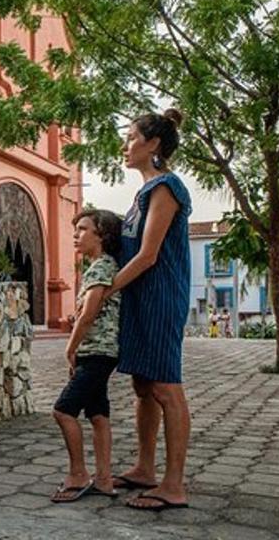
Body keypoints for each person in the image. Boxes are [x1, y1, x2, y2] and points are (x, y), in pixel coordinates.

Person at [106, 109, 193, 511]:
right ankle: (145, 468)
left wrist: (105, 289)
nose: (125, 146)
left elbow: (148, 255)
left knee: (164, 387)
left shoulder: (166, 188)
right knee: (143, 385)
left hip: (159, 295)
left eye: (130, 137)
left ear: (153, 143)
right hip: (141, 297)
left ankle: (173, 485)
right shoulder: (143, 193)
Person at [50, 209, 124, 503]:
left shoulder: (101, 267)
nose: (76, 235)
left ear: (101, 235)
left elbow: (89, 313)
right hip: (99, 352)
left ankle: (78, 473)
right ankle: (104, 480)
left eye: (83, 230)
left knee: (63, 411)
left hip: (96, 352)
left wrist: (70, 348)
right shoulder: (99, 266)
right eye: (76, 229)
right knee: (97, 414)